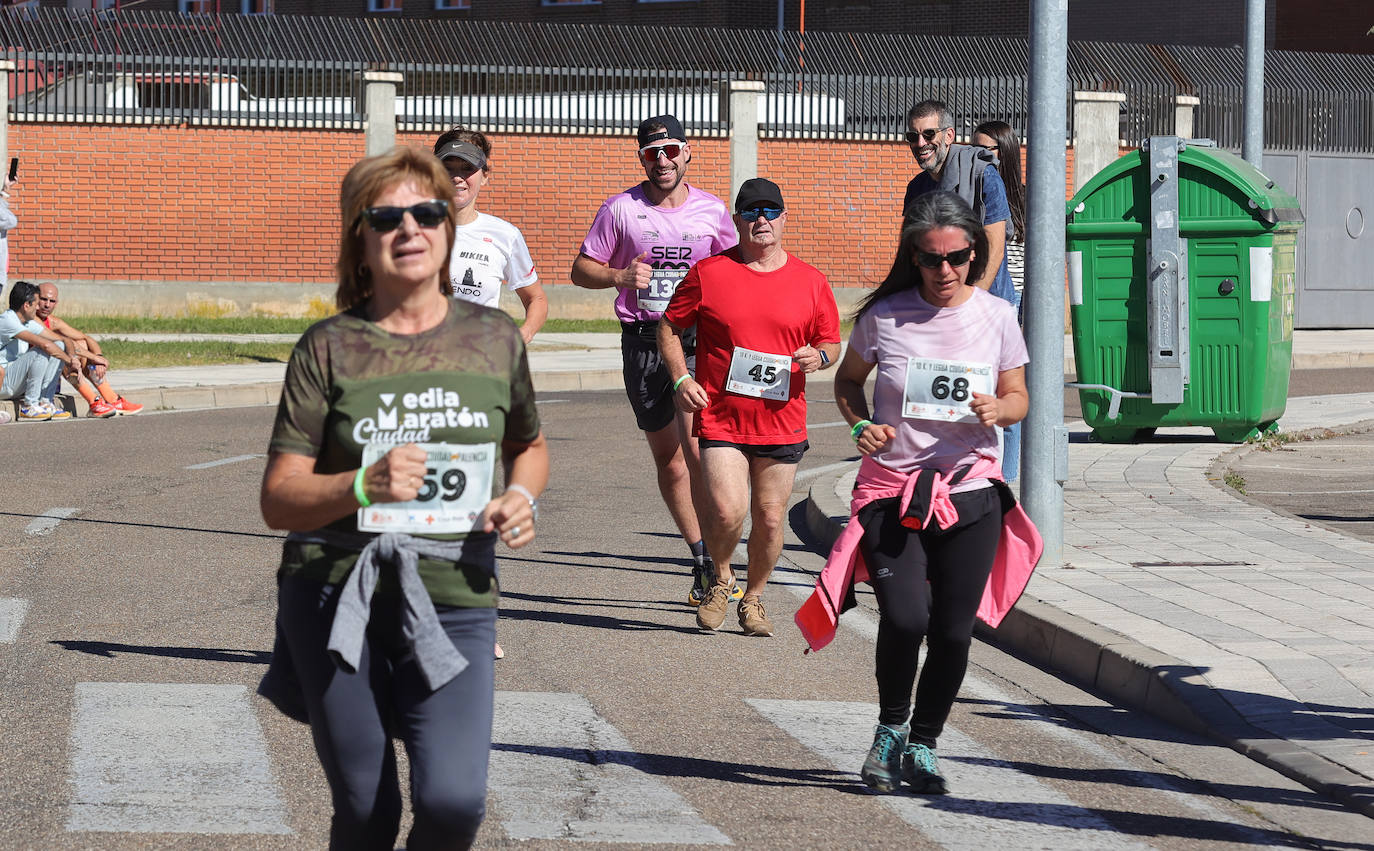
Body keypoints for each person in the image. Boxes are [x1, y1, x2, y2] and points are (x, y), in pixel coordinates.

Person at [258, 145, 548, 850]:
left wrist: (519, 495)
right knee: (366, 810)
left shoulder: (494, 339)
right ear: (360, 238)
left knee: (453, 803)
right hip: (336, 592)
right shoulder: (328, 347)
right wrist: (363, 482)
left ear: (449, 229)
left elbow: (529, 446)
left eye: (427, 212)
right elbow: (278, 498)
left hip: (455, 590)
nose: (409, 228)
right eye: (385, 217)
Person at [802, 191, 1037, 795]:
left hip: (970, 494)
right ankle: (889, 730)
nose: (945, 271)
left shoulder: (996, 317)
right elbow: (849, 383)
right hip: (892, 492)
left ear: (973, 253)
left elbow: (1020, 397)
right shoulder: (886, 316)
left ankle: (925, 744)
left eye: (958, 257)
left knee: (954, 632)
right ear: (914, 258)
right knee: (905, 618)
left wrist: (999, 408)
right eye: (932, 260)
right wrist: (859, 425)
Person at [659, 178, 840, 636]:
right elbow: (668, 326)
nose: (762, 220)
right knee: (725, 510)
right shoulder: (709, 272)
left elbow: (831, 343)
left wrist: (818, 357)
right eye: (752, 213)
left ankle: (754, 597)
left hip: (782, 421)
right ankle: (722, 578)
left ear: (783, 219)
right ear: (738, 221)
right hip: (722, 416)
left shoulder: (811, 281)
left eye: (770, 212)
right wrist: (681, 378)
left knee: (772, 517)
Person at [571, 114, 739, 606]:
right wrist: (619, 277)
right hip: (642, 340)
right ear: (641, 158)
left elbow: (735, 272)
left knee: (695, 451)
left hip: (693, 342)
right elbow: (581, 270)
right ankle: (701, 555)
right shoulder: (620, 209)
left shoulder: (712, 211)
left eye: (670, 151)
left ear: (688, 153)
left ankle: (719, 564)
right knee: (668, 461)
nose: (662, 161)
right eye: (651, 153)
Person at [903, 99, 1022, 481]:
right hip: (935, 310)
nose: (920, 143)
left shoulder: (983, 174)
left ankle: (1002, 484)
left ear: (949, 135)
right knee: (942, 401)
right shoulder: (917, 188)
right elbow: (911, 250)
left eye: (929, 134)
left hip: (986, 308)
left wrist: (973, 306)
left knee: (996, 401)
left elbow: (995, 245)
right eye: (913, 136)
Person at [432, 127, 548, 344]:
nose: (457, 177)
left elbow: (536, 298)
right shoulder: (409, 226)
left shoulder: (505, 235)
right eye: (447, 168)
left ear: (485, 176)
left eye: (467, 168)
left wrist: (524, 334)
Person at [35, 282, 143, 417]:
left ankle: (112, 399)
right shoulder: (31, 318)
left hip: (44, 375)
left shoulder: (53, 321)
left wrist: (98, 357)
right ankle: (93, 402)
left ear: (56, 303)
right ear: (35, 298)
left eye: (52, 301)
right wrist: (93, 357)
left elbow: (86, 338)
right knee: (63, 350)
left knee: (81, 343)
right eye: (44, 299)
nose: (47, 305)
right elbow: (61, 343)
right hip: (27, 379)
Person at [1, 280, 76, 422]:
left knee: (58, 345)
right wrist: (69, 361)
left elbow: (61, 340)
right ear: (26, 305)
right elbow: (45, 345)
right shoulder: (8, 321)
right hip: (2, 382)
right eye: (36, 304)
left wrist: (74, 358)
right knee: (41, 350)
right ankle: (29, 406)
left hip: (12, 380)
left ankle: (45, 402)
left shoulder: (27, 322)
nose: (38, 309)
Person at [972, 121, 1026, 311]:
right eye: (973, 149)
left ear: (1004, 151)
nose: (977, 156)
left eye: (984, 150)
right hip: (982, 288)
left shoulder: (1026, 199)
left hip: (1015, 295)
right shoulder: (974, 193)